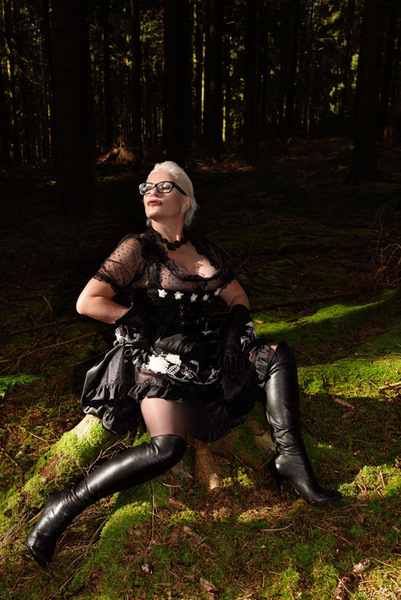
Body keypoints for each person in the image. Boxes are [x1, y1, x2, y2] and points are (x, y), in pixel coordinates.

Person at [25, 161, 342, 568]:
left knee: (278, 353)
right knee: (167, 448)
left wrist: (235, 325)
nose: (151, 192)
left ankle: (291, 459)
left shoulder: (205, 249)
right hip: (156, 359)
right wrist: (131, 317)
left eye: (164, 186)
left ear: (186, 201)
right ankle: (63, 505)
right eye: (146, 187)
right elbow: (87, 302)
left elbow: (237, 295)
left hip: (204, 351)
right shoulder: (138, 247)